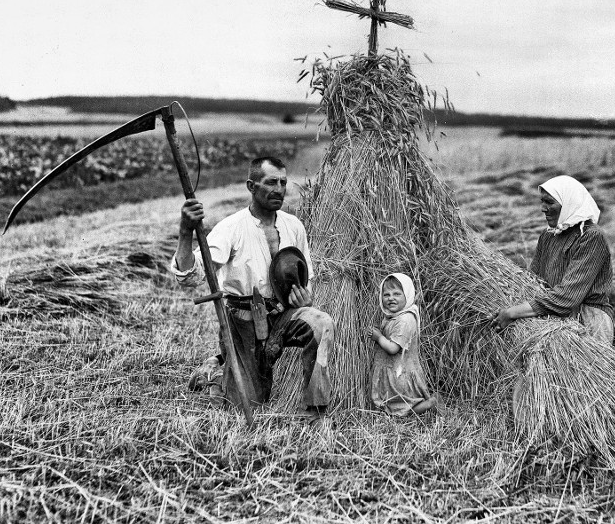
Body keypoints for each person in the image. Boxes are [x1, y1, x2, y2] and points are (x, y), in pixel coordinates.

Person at [171, 156, 333, 421]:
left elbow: (307, 279)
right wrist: (185, 231)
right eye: (271, 182)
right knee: (248, 403)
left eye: (282, 182)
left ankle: (314, 410)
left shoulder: (294, 227)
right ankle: (212, 372)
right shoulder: (231, 228)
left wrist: (304, 298)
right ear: (251, 186)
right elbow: (191, 275)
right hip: (242, 322)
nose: (279, 189)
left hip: (282, 316)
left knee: (321, 323)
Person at [491, 175, 615, 345]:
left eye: (549, 202)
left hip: (588, 322)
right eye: (542, 201)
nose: (543, 208)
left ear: (568, 203)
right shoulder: (548, 236)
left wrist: (513, 313)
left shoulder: (591, 237)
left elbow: (567, 298)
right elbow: (532, 281)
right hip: (552, 317)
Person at [370, 273, 438, 415]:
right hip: (393, 371)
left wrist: (378, 337)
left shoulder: (405, 320)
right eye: (386, 294)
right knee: (396, 405)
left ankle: (429, 404)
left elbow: (393, 348)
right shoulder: (394, 317)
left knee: (404, 407)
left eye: (397, 294)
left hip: (400, 375)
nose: (391, 298)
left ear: (407, 295)